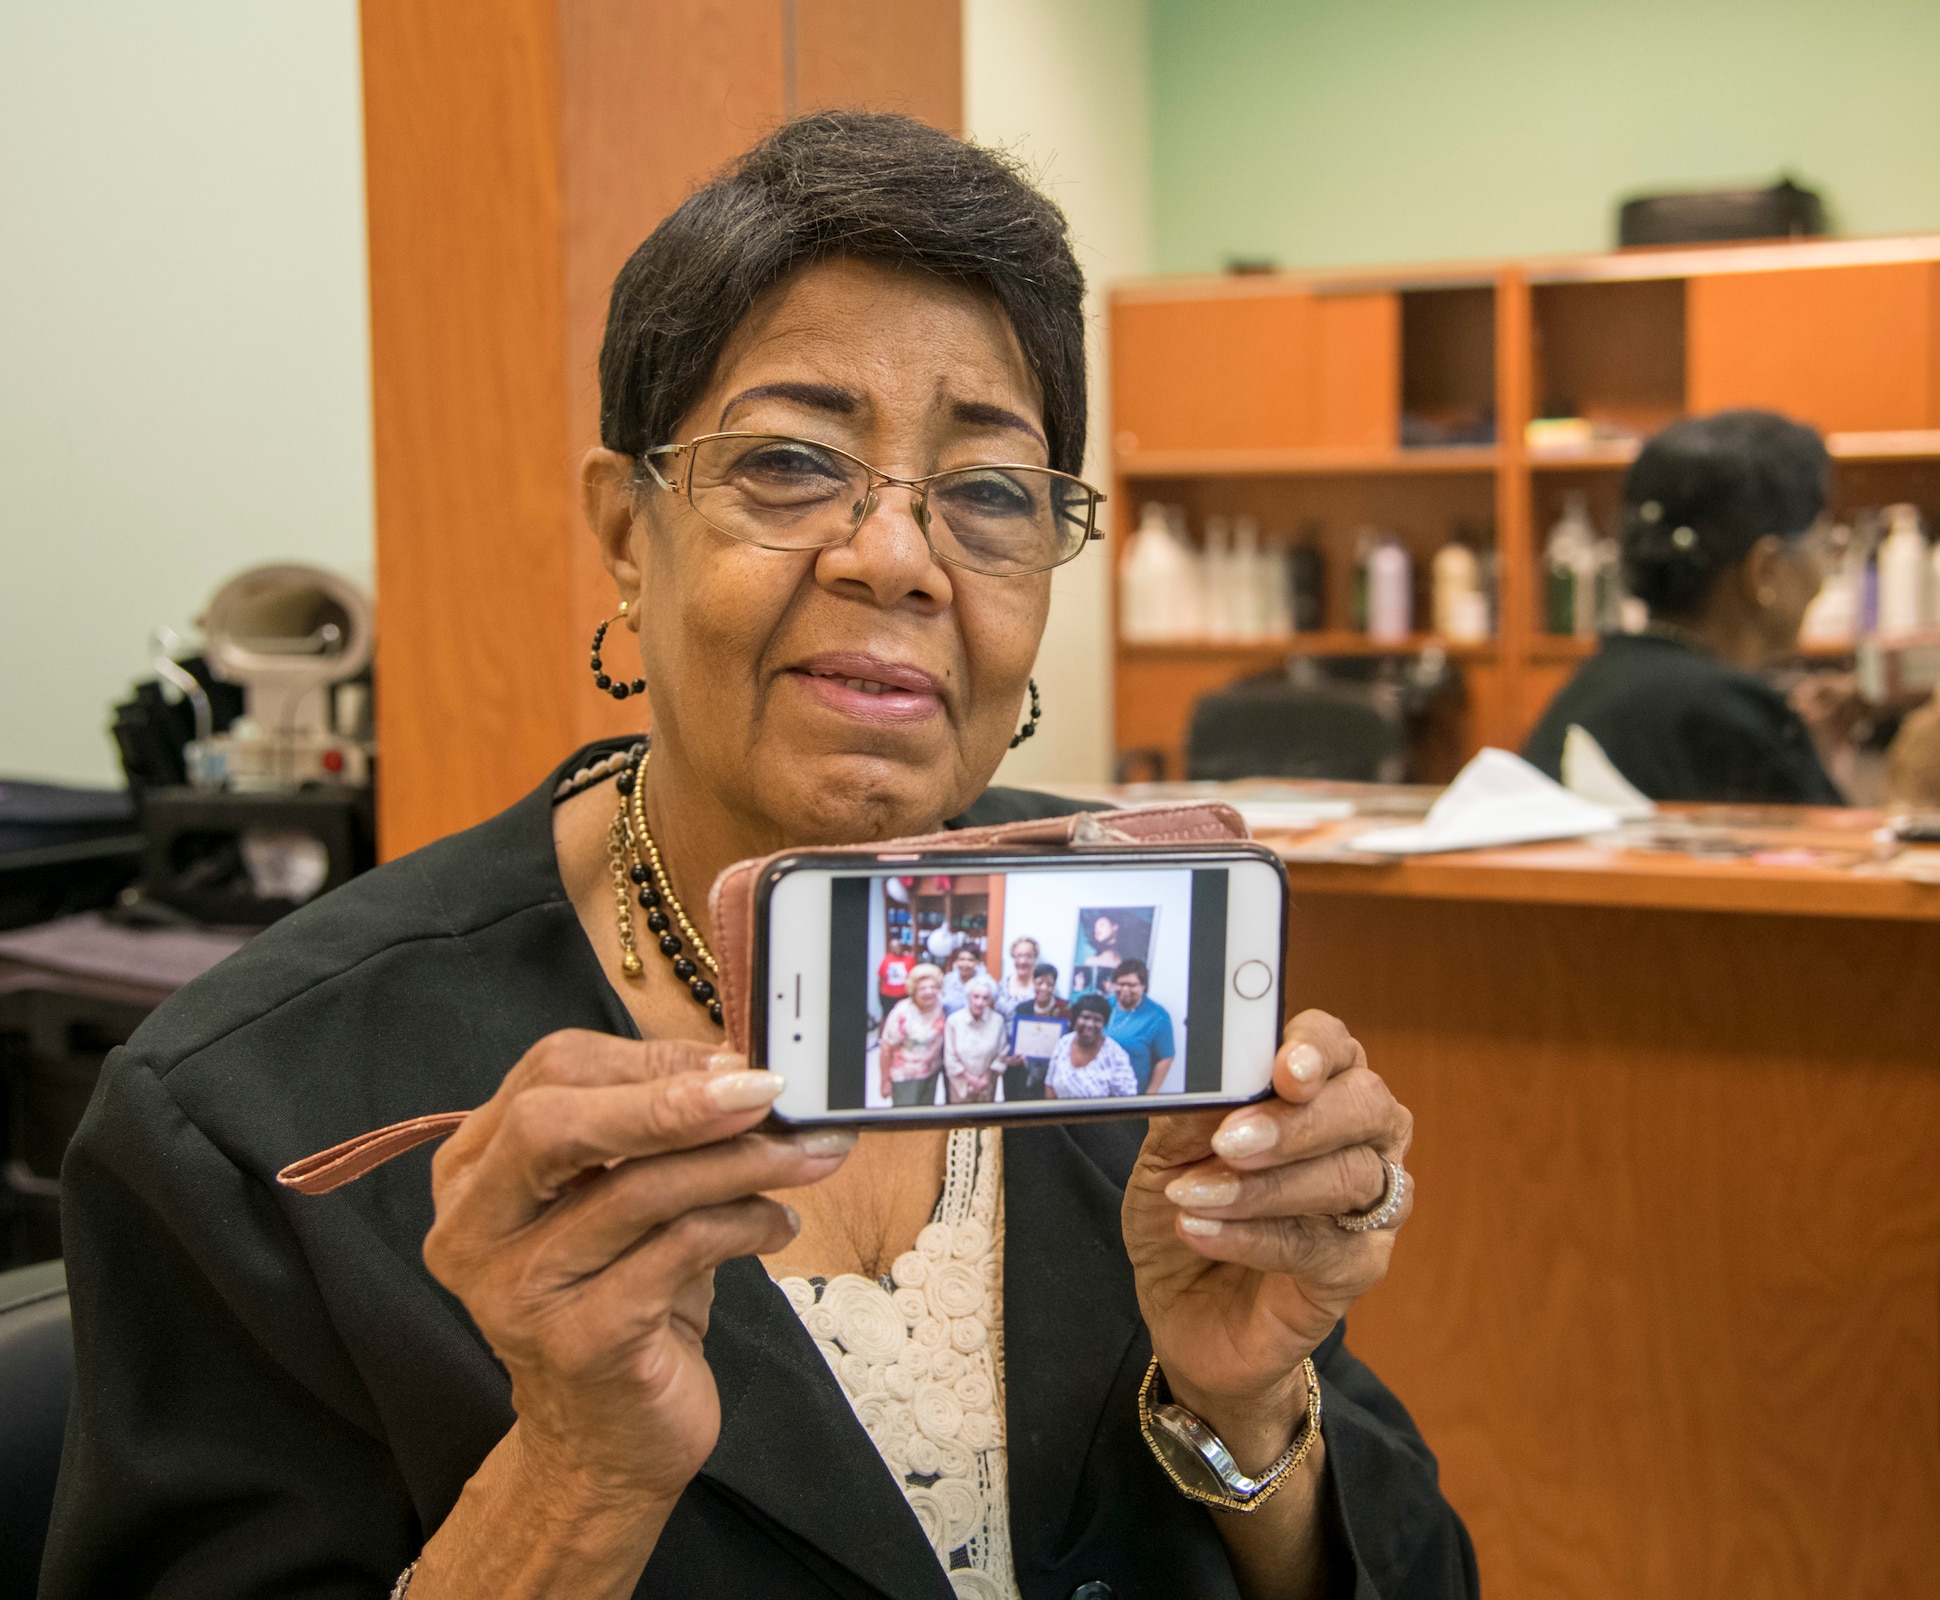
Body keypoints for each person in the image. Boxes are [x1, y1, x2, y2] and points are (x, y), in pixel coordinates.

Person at [47, 112, 1469, 1600]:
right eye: (793, 464)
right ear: (626, 532)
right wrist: (577, 1479)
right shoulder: (248, 1118)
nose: (898, 556)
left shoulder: (1103, 969)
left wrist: (1240, 1409)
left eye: (988, 493)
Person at [1524, 409, 1940, 805]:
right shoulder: (1724, 715)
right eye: (1824, 543)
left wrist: (1800, 753)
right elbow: (1825, 896)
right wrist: (1915, 792)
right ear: (1765, 571)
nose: (1825, 571)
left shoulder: (1599, 681)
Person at [1047, 993, 1140, 1100]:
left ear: (1104, 1023)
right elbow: (1049, 1085)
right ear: (1075, 1019)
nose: (1090, 1024)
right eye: (1085, 1017)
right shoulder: (1063, 1043)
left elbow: (1127, 1100)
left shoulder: (1116, 1055)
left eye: (1097, 1020)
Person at [879, 963, 948, 1107]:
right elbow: (886, 1049)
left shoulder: (939, 1006)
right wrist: (885, 1080)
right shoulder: (902, 1012)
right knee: (906, 1120)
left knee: (925, 1116)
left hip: (931, 1073)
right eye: (923, 988)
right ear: (913, 991)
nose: (929, 992)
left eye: (933, 987)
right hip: (905, 1077)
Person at [1107, 958, 1179, 1095]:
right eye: (1120, 984)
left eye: (1132, 985)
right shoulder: (1104, 1005)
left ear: (1144, 986)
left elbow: (1166, 1058)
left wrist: (1150, 1094)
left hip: (1132, 1094)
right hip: (1097, 1091)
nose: (1125, 989)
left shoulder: (1157, 1016)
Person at [1001, 961, 1068, 1102]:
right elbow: (1016, 1038)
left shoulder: (1065, 1008)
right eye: (1039, 983)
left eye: (1049, 984)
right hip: (1023, 1070)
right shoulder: (1022, 1008)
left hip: (1052, 1071)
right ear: (1033, 983)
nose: (1044, 988)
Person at [941, 974, 1006, 1103]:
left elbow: (1001, 1054)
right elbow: (949, 1058)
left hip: (987, 1085)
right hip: (959, 1086)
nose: (979, 1002)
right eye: (975, 997)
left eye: (985, 998)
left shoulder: (997, 1021)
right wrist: (970, 1079)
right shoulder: (954, 1021)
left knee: (984, 1120)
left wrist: (984, 1079)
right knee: (960, 1121)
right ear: (968, 997)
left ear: (990, 1001)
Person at [998, 935, 1039, 1017]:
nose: (1023, 961)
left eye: (1028, 956)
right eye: (1019, 956)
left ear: (1035, 958)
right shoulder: (1003, 983)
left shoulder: (1041, 986)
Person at [937, 942, 983, 1015]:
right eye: (962, 959)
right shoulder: (948, 980)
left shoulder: (985, 982)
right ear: (956, 961)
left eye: (970, 960)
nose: (965, 964)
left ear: (977, 962)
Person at [876, 938, 912, 1028]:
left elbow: (914, 978)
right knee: (887, 1019)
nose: (897, 948)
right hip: (888, 997)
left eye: (899, 946)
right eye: (894, 946)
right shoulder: (886, 959)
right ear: (890, 948)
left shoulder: (909, 959)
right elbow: (880, 979)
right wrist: (879, 995)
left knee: (905, 1019)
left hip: (904, 996)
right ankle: (881, 1040)